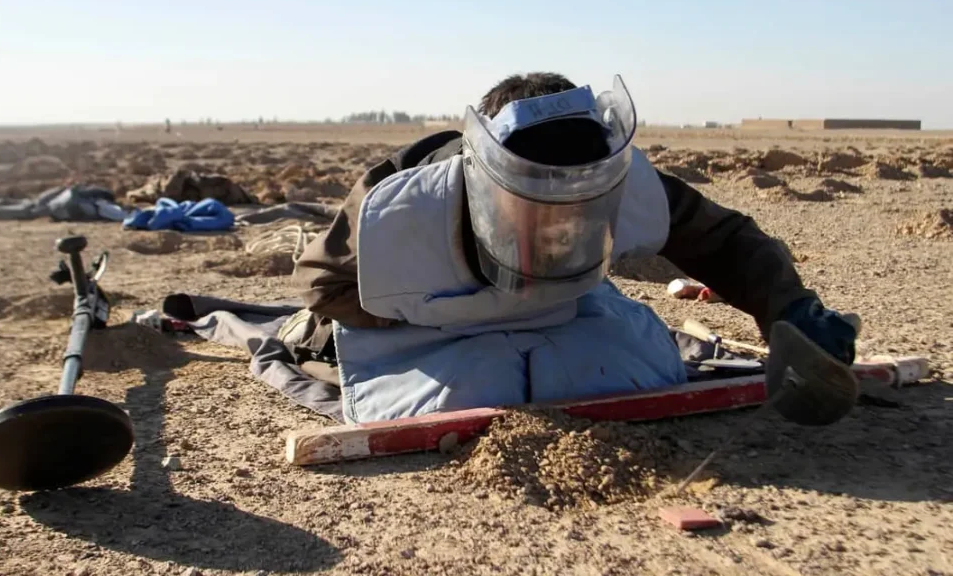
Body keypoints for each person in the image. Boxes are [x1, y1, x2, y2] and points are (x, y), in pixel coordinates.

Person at [285, 72, 858, 423]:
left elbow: (723, 241)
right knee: (476, 390)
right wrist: (443, 311)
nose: (559, 220)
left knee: (628, 367)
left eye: (578, 201)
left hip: (564, 306)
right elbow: (321, 284)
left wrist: (790, 308)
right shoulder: (402, 206)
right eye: (538, 199)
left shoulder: (623, 180)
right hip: (434, 321)